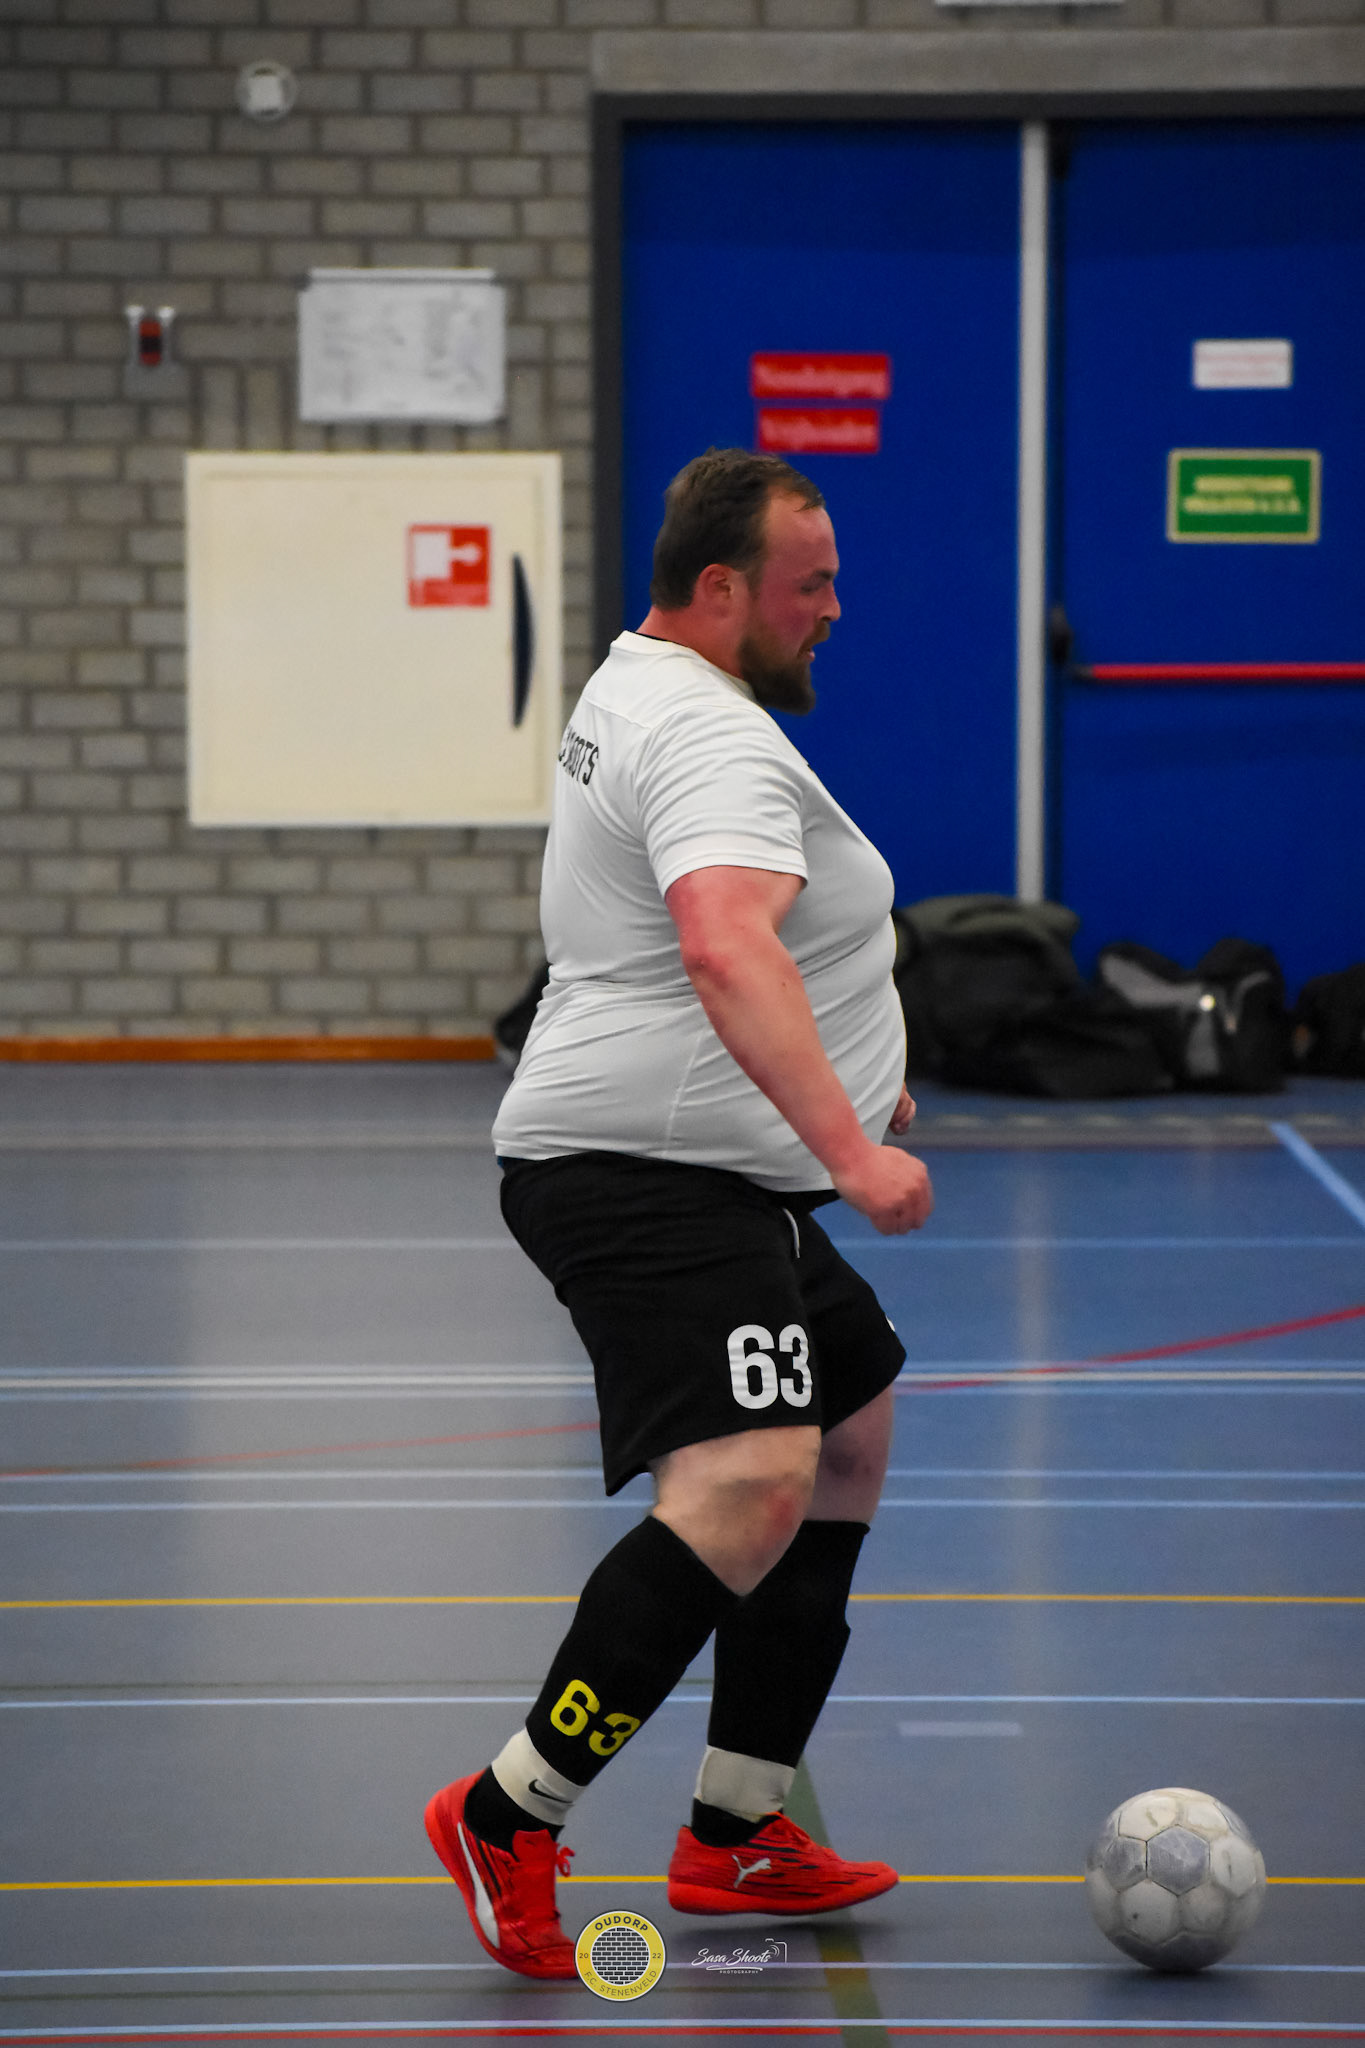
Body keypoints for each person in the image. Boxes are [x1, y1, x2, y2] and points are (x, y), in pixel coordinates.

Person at [423, 447, 934, 1979]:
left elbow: (690, 942)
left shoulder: (638, 680)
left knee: (848, 1424)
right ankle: (508, 1812)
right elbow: (721, 944)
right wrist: (849, 1145)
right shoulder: (710, 733)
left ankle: (736, 1827)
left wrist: (852, 1060)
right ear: (720, 590)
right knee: (751, 1479)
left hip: (702, 1160)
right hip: (645, 1174)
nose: (832, 609)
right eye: (808, 585)